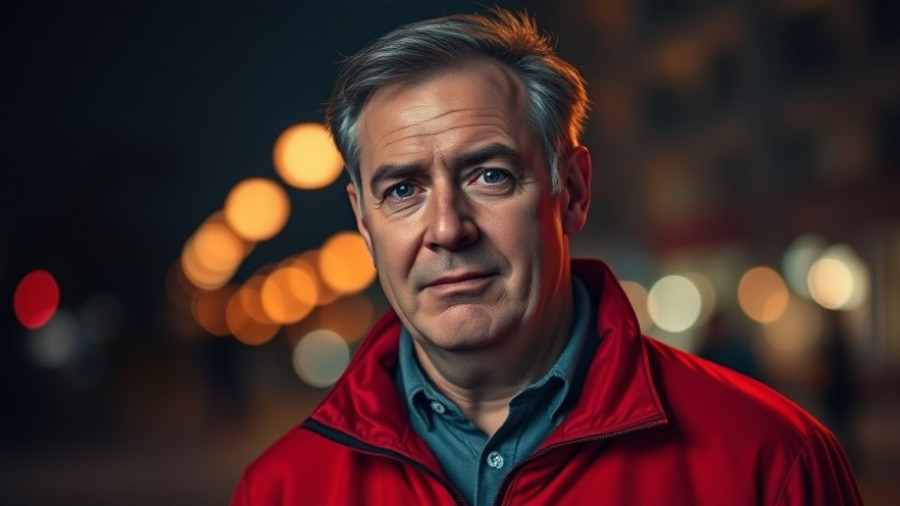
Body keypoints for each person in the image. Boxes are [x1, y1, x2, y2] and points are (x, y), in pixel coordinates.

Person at [231, 9, 861, 505]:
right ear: (365, 226)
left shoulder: (773, 463)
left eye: (490, 176)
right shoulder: (280, 491)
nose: (447, 229)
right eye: (403, 191)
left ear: (573, 193)